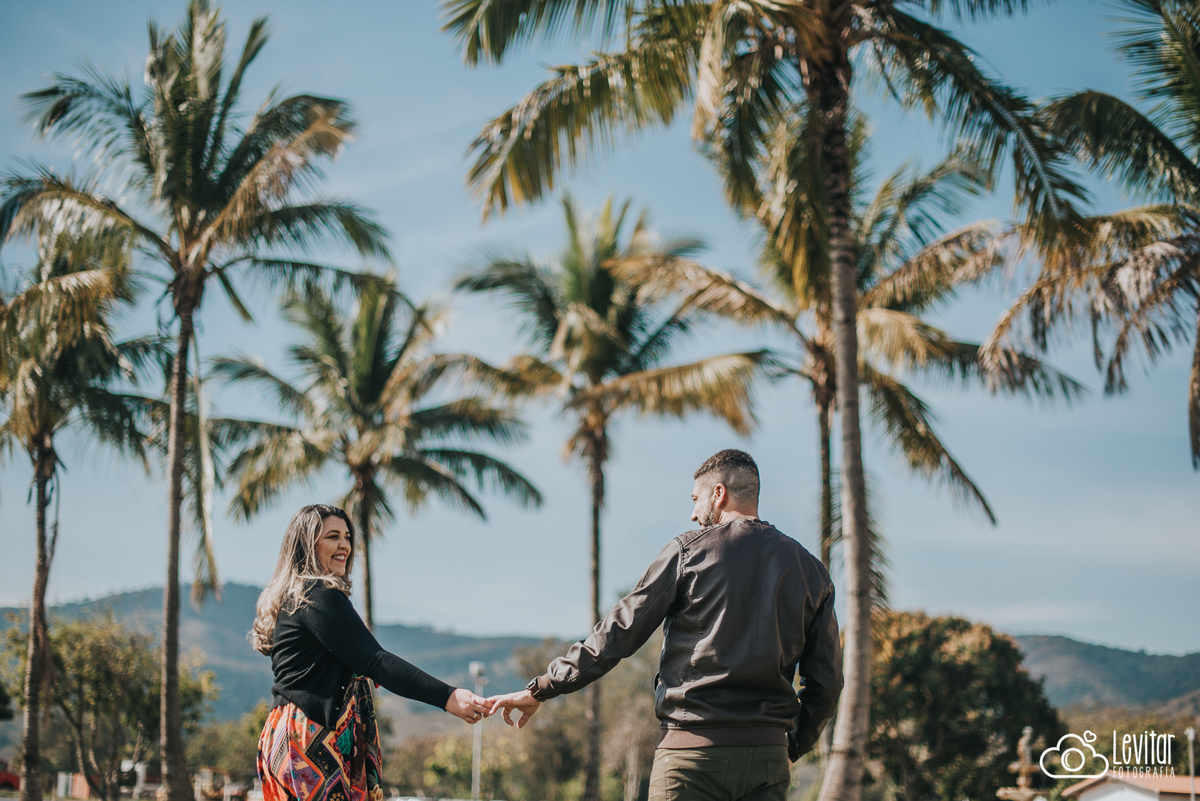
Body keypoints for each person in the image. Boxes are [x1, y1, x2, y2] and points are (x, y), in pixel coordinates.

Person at [486, 449, 844, 801]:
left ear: (718, 494)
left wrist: (543, 687)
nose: (692, 514)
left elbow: (617, 633)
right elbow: (827, 683)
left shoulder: (688, 554)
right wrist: (790, 745)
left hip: (691, 759)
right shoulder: (812, 572)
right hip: (767, 762)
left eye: (696, 499)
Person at [250, 504, 490, 801]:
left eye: (348, 537)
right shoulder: (318, 594)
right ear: (307, 546)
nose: (344, 546)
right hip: (310, 740)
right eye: (332, 537)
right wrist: (447, 696)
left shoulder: (300, 597)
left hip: (290, 735)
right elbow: (376, 661)